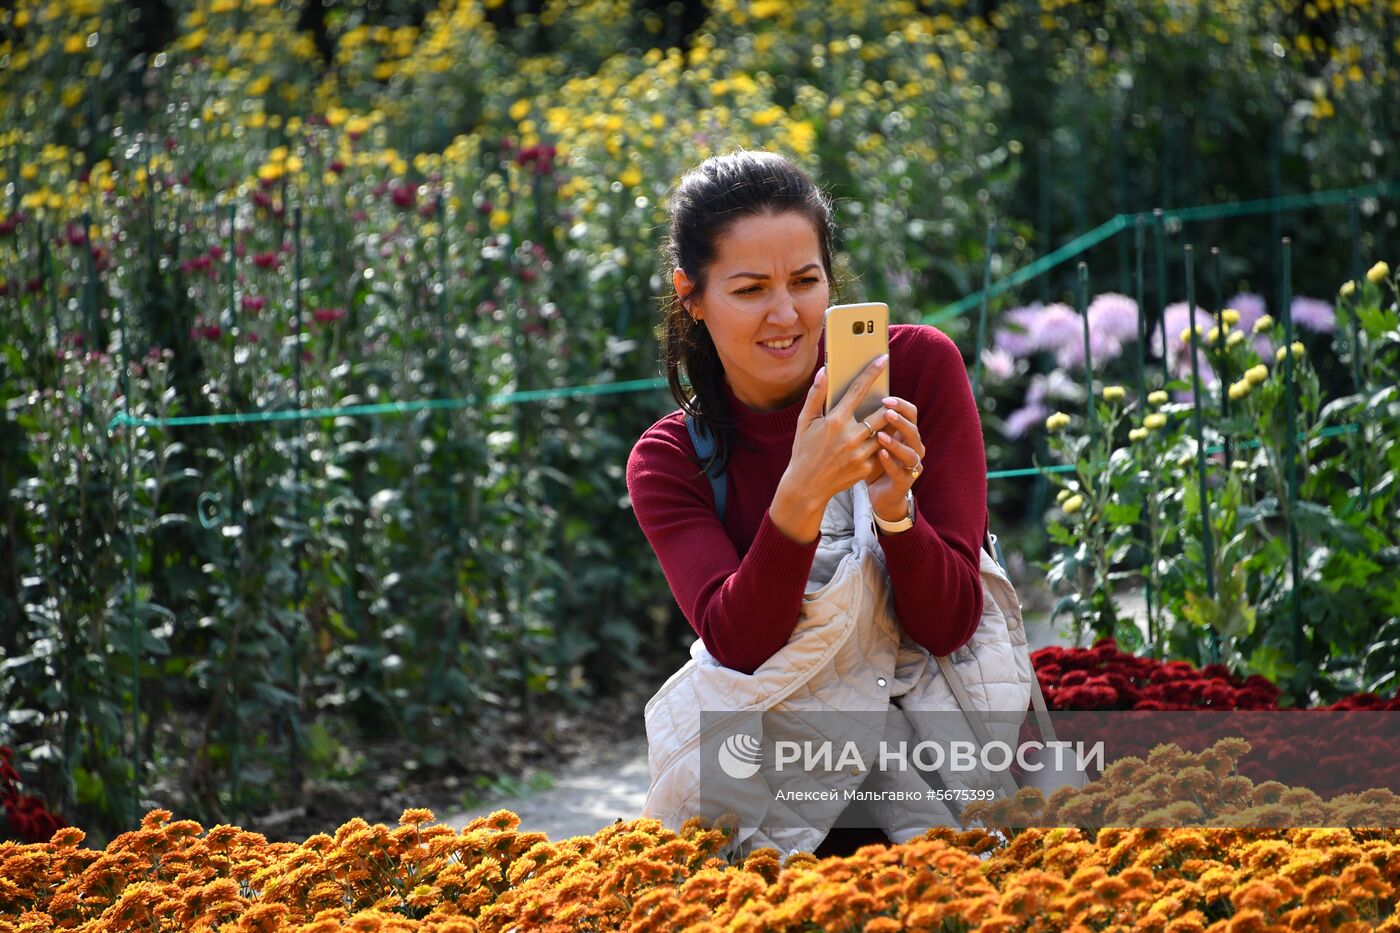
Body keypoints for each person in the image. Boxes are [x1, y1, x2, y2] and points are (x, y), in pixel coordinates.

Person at [625, 150, 996, 858]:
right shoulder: (672, 458)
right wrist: (801, 493)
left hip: (943, 785)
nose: (786, 314)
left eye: (805, 280)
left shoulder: (917, 369)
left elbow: (951, 624)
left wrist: (896, 513)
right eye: (749, 288)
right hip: (783, 815)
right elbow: (739, 645)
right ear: (691, 295)